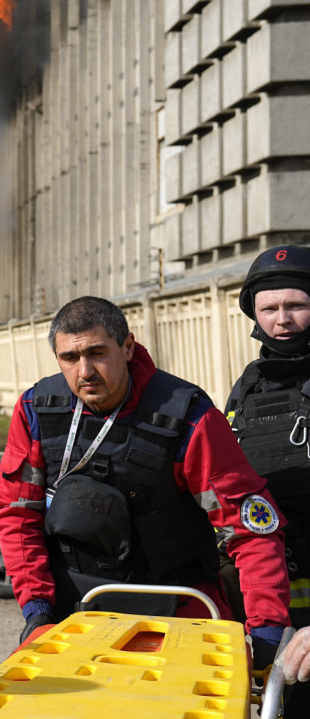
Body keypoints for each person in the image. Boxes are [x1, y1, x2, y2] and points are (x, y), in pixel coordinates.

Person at [0, 296, 290, 667]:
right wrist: (37, 611)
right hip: (71, 617)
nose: (84, 371)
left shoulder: (187, 417)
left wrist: (265, 632)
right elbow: (17, 514)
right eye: (69, 358)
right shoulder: (35, 411)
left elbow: (250, 529)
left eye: (97, 353)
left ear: (128, 346)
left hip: (177, 614)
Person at [224, 244, 310, 709]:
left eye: (296, 305)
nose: (283, 319)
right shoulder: (248, 386)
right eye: (270, 308)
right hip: (269, 602)